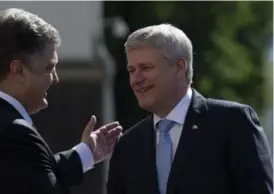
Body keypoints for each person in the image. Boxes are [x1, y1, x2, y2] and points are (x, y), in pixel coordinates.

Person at [0, 8, 122, 194]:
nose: (55, 79)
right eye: (49, 68)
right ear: (18, 70)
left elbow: (30, 175)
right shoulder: (12, 133)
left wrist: (86, 153)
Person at [107, 23, 273, 194]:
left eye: (146, 68)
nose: (136, 79)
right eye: (132, 70)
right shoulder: (127, 146)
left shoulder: (233, 123)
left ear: (179, 67)